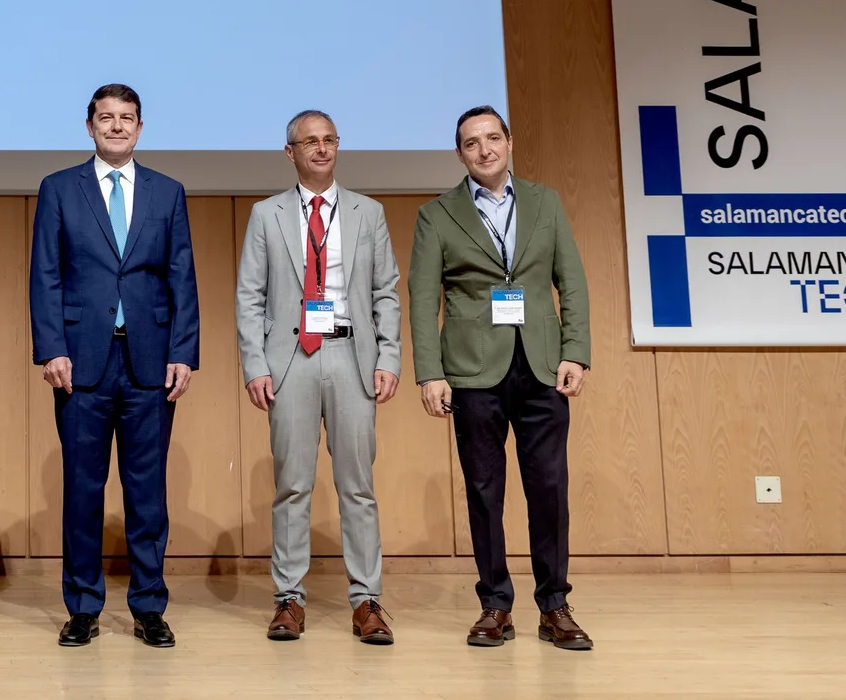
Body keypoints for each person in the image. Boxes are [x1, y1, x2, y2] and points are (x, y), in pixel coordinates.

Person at [409, 105, 593, 650]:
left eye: (493, 138)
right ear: (459, 153)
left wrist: (576, 352)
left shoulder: (545, 201)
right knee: (485, 491)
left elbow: (571, 281)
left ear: (509, 142)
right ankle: (495, 606)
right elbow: (422, 298)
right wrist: (430, 373)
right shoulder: (436, 214)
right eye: (472, 142)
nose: (484, 149)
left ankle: (555, 606)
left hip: (541, 364)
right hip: (472, 371)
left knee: (549, 488)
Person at [30, 84, 199, 649]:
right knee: (83, 491)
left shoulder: (167, 191)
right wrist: (52, 348)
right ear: (90, 126)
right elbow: (45, 274)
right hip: (81, 363)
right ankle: (82, 608)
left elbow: (181, 277)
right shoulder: (59, 188)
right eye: (107, 117)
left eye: (127, 118)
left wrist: (183, 351)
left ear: (140, 128)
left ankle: (149, 607)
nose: (117, 126)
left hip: (150, 361)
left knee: (147, 494)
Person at [235, 110, 401, 644]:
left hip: (352, 356)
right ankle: (289, 599)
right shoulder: (266, 214)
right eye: (310, 141)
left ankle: (367, 600)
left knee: (358, 486)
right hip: (291, 361)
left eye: (329, 139)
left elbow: (385, 291)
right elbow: (249, 296)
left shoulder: (368, 212)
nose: (322, 148)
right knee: (292, 486)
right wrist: (255, 365)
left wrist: (389, 358)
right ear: (291, 152)